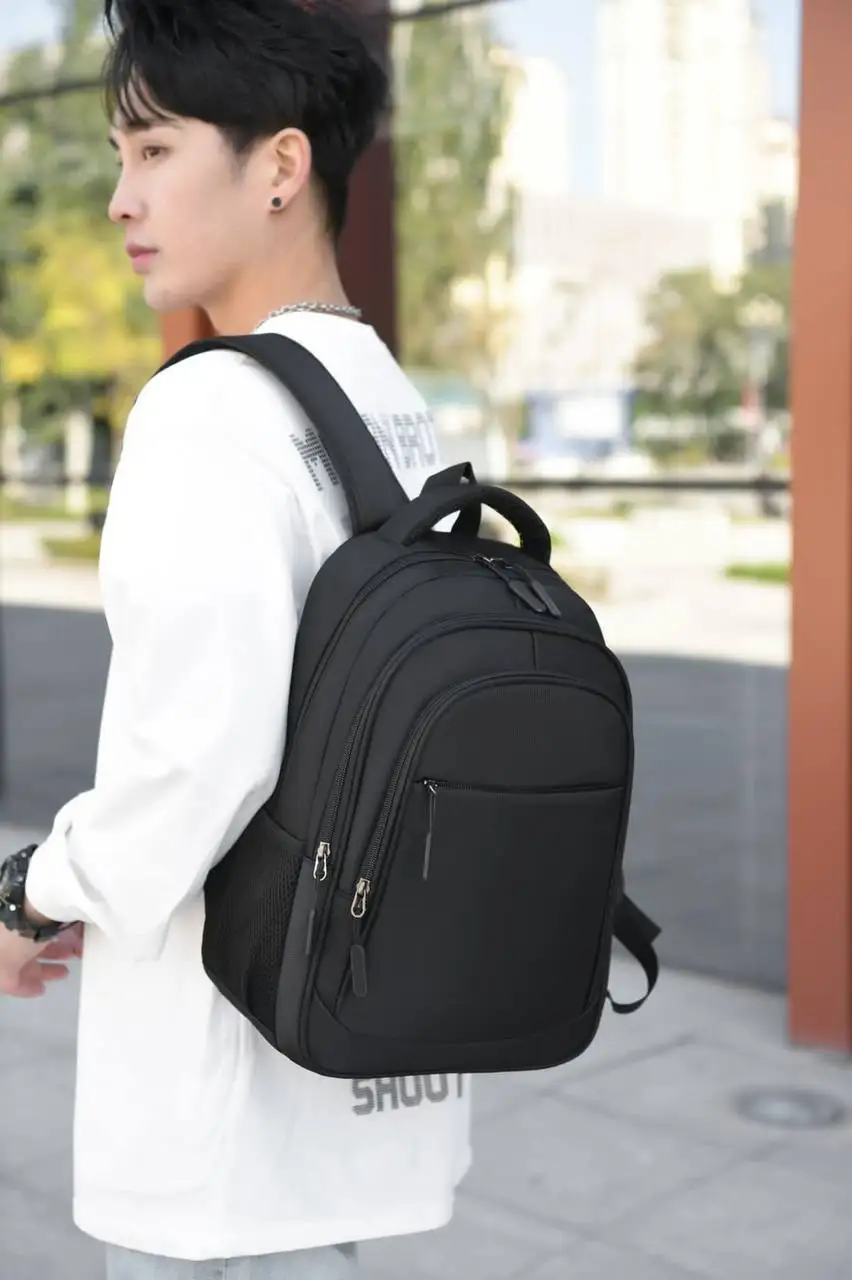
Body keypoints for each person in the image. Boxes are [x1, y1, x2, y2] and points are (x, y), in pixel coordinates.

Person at [0, 0, 472, 1275]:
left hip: (225, 1111)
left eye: (155, 149)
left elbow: (196, 761)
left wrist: (33, 891)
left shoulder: (213, 407)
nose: (120, 197)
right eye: (119, 155)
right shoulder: (387, 401)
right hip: (359, 1064)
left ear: (279, 165)